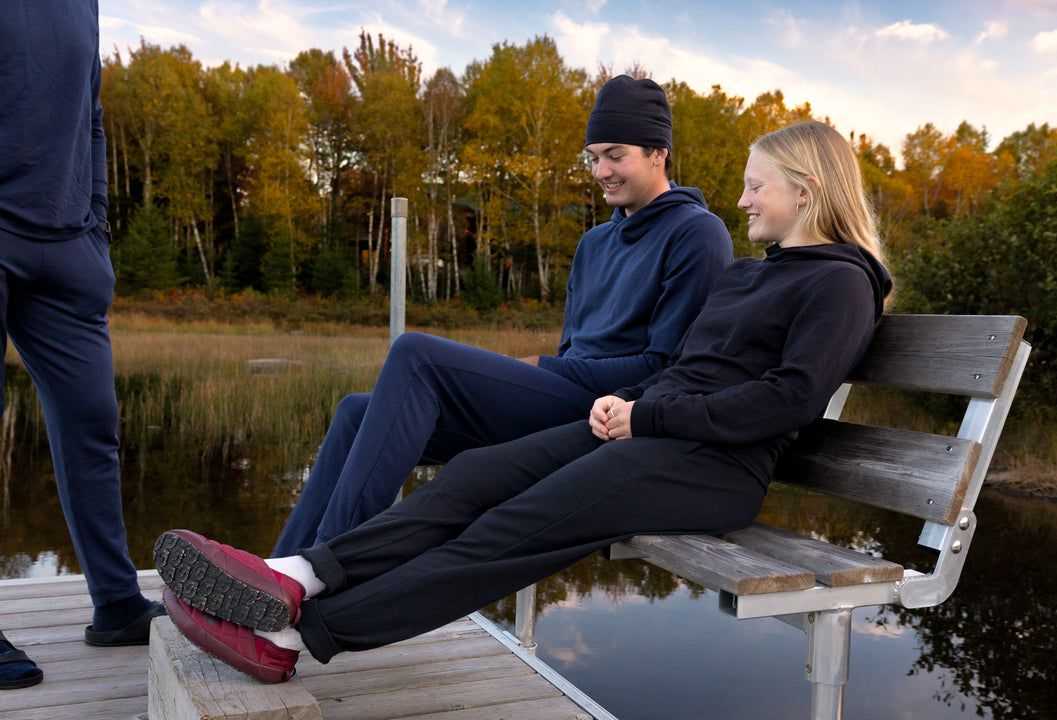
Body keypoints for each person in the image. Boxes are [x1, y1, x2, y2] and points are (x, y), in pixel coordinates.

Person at [153, 120, 892, 684]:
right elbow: (690, 369)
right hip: (656, 435)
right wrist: (622, 402)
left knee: (512, 528)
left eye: (755, 185)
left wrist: (649, 416)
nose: (742, 199)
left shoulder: (841, 282)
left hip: (717, 466)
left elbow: (789, 399)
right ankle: (297, 575)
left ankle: (298, 635)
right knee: (474, 477)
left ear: (807, 189)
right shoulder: (750, 275)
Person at [271, 74, 733, 556]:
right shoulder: (593, 243)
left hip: (609, 420)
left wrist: (544, 368)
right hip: (560, 401)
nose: (601, 171)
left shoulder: (697, 234)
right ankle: (277, 571)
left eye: (616, 155)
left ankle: (324, 568)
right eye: (594, 157)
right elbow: (572, 350)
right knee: (354, 412)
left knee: (418, 355)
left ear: (658, 152)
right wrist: (548, 369)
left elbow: (665, 370)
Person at [0, 0, 165, 690]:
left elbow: (90, 111)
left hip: (68, 245)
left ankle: (117, 603)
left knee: (94, 425)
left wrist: (95, 221)